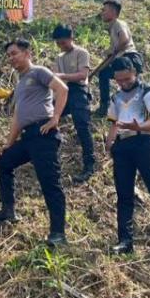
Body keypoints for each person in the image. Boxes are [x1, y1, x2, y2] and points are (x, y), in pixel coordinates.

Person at [0, 39, 69, 247]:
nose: (11, 58)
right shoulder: (21, 82)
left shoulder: (39, 72)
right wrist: (9, 143)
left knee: (50, 183)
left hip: (44, 134)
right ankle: (8, 210)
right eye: (9, 56)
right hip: (28, 137)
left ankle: (58, 233)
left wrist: (55, 118)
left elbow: (62, 89)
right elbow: (18, 117)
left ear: (27, 53)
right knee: (4, 161)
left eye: (14, 53)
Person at [105, 57, 150, 254]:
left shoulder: (147, 92)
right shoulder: (116, 97)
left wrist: (140, 126)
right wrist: (109, 144)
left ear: (134, 72)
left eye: (127, 79)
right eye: (119, 81)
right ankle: (125, 241)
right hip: (122, 146)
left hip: (142, 142)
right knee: (124, 195)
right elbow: (114, 124)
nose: (124, 83)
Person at [52, 24, 97, 183]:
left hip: (78, 91)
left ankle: (90, 164)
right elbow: (56, 80)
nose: (61, 46)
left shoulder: (81, 52)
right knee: (47, 117)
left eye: (63, 42)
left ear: (71, 38)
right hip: (63, 92)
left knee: (82, 126)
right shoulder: (59, 58)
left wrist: (61, 75)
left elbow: (82, 75)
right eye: (58, 43)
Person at [96, 0, 144, 117]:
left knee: (127, 83)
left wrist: (112, 50)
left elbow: (125, 40)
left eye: (104, 10)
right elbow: (114, 53)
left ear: (112, 12)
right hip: (123, 59)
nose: (102, 13)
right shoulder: (113, 28)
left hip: (129, 58)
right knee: (103, 73)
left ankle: (105, 106)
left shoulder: (118, 23)